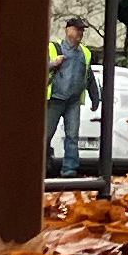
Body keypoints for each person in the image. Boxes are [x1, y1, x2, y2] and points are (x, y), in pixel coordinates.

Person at [49, 16, 92, 177]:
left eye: (82, 30)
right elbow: (38, 67)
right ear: (68, 30)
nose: (80, 33)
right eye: (77, 29)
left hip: (73, 101)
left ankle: (70, 170)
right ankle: (42, 165)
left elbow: (88, 76)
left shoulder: (85, 53)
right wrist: (53, 63)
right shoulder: (54, 48)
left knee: (73, 135)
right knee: (46, 135)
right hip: (55, 99)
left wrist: (95, 97)